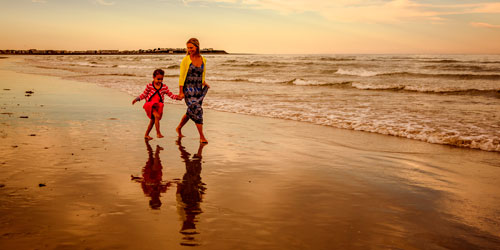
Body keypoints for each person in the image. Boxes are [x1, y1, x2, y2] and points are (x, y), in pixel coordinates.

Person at [176, 38, 210, 143]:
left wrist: (204, 82)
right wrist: (181, 92)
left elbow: (202, 73)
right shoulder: (186, 60)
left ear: (197, 46)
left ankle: (179, 128)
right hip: (188, 89)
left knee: (191, 110)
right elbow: (182, 76)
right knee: (197, 109)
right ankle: (202, 136)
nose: (189, 49)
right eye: (188, 48)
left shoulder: (203, 59)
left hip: (198, 89)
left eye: (191, 47)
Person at [133, 69, 181, 140]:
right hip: (149, 105)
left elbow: (170, 94)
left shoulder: (164, 87)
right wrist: (137, 99)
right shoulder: (150, 86)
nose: (160, 81)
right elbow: (144, 94)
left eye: (161, 79)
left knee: (153, 121)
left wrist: (177, 97)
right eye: (158, 79)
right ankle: (158, 133)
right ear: (153, 77)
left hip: (158, 106)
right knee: (156, 116)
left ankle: (146, 135)